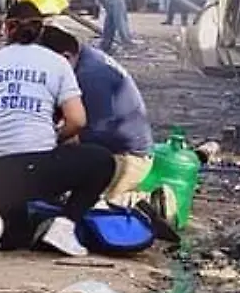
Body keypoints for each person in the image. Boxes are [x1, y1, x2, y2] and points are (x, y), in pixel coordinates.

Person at [0, 2, 112, 260]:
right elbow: (77, 120)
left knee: (18, 239)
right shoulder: (56, 63)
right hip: (33, 169)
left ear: (6, 28)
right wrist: (53, 139)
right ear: (41, 30)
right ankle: (65, 226)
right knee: (101, 161)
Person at [37, 25, 154, 206]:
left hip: (127, 157)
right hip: (108, 146)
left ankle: (139, 200)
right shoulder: (82, 59)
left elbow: (93, 130)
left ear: (65, 57)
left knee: (88, 206)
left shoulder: (92, 76)